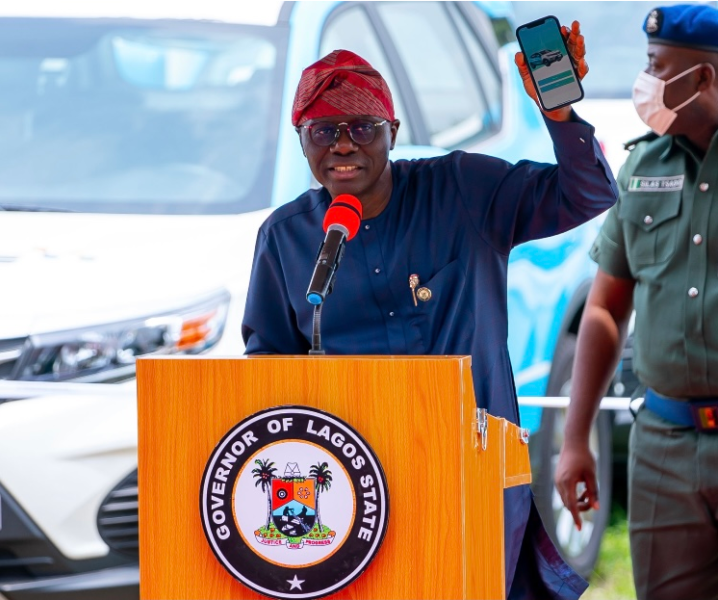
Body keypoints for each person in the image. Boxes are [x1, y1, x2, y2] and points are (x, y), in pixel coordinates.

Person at [243, 22, 618, 600]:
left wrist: (560, 113)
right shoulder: (285, 238)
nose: (343, 144)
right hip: (353, 490)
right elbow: (267, 369)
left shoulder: (463, 188)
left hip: (472, 473)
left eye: (362, 127)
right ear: (301, 140)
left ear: (392, 132)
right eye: (322, 130)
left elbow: (587, 193)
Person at [553, 5, 718, 600]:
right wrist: (575, 441)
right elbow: (603, 309)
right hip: (664, 448)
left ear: (702, 78)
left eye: (657, 67)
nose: (644, 82)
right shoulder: (643, 165)